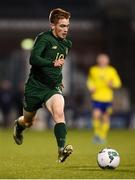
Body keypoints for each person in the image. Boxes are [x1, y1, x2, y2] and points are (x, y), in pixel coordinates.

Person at [13, 8, 73, 163]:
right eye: (62, 26)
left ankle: (61, 150)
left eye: (67, 26)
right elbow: (33, 59)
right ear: (53, 25)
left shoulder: (67, 44)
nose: (65, 30)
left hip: (52, 88)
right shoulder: (44, 38)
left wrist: (58, 80)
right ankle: (19, 127)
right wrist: (52, 63)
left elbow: (58, 67)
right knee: (29, 122)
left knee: (59, 114)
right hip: (34, 87)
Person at [86, 53, 122, 144]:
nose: (102, 61)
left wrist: (112, 84)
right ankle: (97, 135)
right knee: (96, 115)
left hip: (107, 98)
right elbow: (90, 81)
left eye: (104, 60)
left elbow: (118, 83)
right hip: (97, 97)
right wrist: (90, 87)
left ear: (107, 61)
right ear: (98, 61)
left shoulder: (112, 70)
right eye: (101, 60)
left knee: (105, 117)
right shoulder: (93, 70)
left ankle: (102, 136)